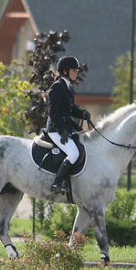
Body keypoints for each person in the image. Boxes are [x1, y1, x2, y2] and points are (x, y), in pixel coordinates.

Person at [46, 55, 90, 195]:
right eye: (74, 70)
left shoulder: (67, 87)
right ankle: (57, 184)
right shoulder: (57, 87)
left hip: (65, 128)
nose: (77, 72)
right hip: (56, 129)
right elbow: (54, 113)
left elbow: (70, 109)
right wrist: (62, 131)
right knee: (73, 152)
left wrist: (81, 113)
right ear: (65, 71)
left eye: (77, 70)